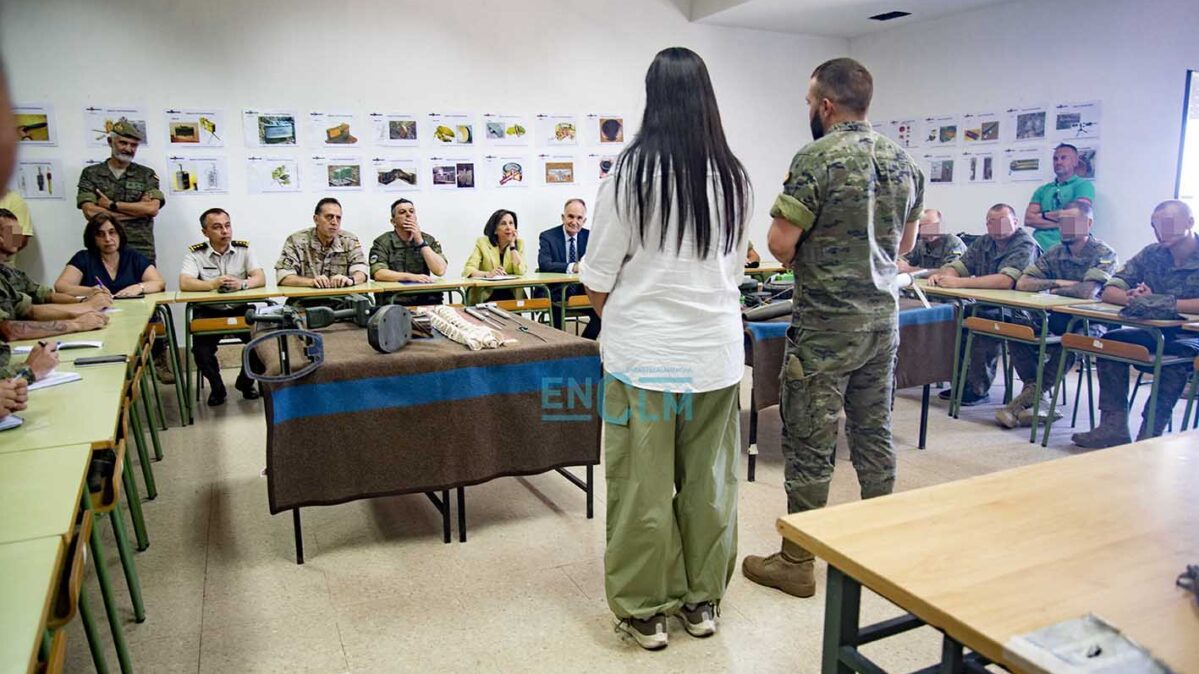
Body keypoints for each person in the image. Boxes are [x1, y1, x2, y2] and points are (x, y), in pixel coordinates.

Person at [580, 46, 751, 649]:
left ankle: (645, 609)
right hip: (716, 354)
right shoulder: (734, 177)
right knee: (709, 484)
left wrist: (625, 322)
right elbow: (730, 271)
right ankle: (701, 601)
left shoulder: (628, 176)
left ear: (653, 97)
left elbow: (597, 279)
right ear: (707, 99)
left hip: (645, 356)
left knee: (642, 487)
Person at [741, 57, 923, 601]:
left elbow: (778, 243)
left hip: (825, 325)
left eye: (808, 103)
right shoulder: (903, 160)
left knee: (810, 438)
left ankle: (798, 561)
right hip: (882, 322)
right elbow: (907, 247)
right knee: (874, 430)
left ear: (825, 104)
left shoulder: (817, 157)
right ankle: (880, 546)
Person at [1072, 200, 1199, 448]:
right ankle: (1113, 426)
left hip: (1190, 335)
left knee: (1174, 359)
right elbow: (1110, 290)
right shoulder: (1152, 254)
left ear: (1190, 222)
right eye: (1155, 225)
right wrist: (1132, 298)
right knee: (1109, 342)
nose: (1160, 231)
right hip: (1158, 329)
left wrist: (1161, 302)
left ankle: (1150, 433)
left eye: (1167, 224)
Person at [997, 201, 1117, 428]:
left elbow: (1087, 291)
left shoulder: (1103, 252)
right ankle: (1038, 401)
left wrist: (1047, 287)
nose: (1064, 227)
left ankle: (1022, 402)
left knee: (1070, 341)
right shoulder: (1055, 252)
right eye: (1061, 222)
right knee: (1015, 327)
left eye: (1070, 222)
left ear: (1088, 223)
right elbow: (1023, 283)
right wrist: (1059, 284)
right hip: (1055, 317)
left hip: (1091, 322)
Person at [927, 204, 1039, 406]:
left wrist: (959, 283)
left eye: (1002, 222)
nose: (996, 226)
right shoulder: (984, 242)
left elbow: (1006, 281)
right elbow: (959, 266)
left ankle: (978, 388)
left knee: (984, 320)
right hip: (987, 304)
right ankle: (962, 382)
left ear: (1015, 222)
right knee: (955, 314)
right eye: (991, 222)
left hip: (1022, 312)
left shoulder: (1025, 244)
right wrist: (945, 275)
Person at [54, 212, 170, 380]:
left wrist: (139, 286)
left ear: (119, 234)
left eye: (112, 232)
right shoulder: (84, 257)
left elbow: (159, 282)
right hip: (100, 320)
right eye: (100, 234)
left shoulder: (132, 256)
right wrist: (90, 291)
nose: (108, 239)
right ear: (93, 238)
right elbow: (61, 286)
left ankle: (142, 370)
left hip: (133, 318)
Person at [179, 208, 266, 406]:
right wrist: (211, 284)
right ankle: (217, 387)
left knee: (262, 344)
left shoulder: (244, 249)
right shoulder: (196, 254)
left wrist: (241, 283)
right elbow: (185, 283)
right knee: (201, 352)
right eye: (217, 227)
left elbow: (260, 278)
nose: (224, 231)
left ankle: (245, 382)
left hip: (241, 309)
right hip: (209, 311)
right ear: (205, 232)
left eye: (227, 226)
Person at [75, 118, 165, 264]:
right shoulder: (91, 173)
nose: (128, 149)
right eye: (123, 143)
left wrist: (111, 205)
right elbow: (90, 211)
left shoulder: (146, 174)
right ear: (111, 142)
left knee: (147, 286)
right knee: (103, 287)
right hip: (103, 244)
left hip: (140, 247)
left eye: (134, 145)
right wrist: (137, 213)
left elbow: (152, 209)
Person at [0, 209, 112, 314]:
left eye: (18, 230)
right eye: (12, 231)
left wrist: (83, 301)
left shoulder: (12, 272)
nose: (18, 236)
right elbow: (28, 313)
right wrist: (84, 312)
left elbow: (47, 296)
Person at [537, 198, 600, 339]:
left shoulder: (590, 237)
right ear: (563, 217)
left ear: (584, 221)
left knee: (603, 312)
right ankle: (562, 349)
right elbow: (544, 264)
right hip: (554, 292)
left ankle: (583, 345)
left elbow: (596, 263)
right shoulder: (548, 236)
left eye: (579, 218)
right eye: (570, 216)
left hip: (581, 291)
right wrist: (574, 267)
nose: (574, 222)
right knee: (557, 319)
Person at [276, 198, 369, 292]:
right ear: (316, 219)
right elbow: (284, 277)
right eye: (329, 217)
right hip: (305, 300)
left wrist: (350, 280)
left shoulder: (349, 240)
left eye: (338, 218)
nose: (334, 222)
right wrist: (311, 282)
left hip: (343, 300)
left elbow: (362, 271)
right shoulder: (296, 240)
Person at [370, 198, 447, 307]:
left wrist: (420, 241)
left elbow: (440, 270)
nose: (408, 215)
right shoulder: (383, 242)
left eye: (411, 211)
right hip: (395, 300)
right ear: (393, 222)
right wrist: (411, 277)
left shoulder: (428, 240)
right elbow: (379, 273)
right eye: (402, 212)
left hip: (426, 299)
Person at [1024, 143, 1095, 252]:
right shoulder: (1043, 190)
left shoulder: (1083, 185)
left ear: (1075, 161)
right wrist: (1063, 221)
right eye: (1055, 159)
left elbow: (1078, 217)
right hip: (1038, 247)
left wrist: (1042, 216)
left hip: (1067, 249)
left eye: (1063, 158)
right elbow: (1028, 219)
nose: (1058, 162)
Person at [463, 209, 527, 305]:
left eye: (511, 223)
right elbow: (468, 270)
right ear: (495, 230)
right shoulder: (482, 243)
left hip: (511, 293)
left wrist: (512, 245)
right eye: (503, 224)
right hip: (486, 294)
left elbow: (520, 271)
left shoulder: (519, 244)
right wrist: (488, 274)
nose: (508, 227)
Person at [896, 208, 966, 274]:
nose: (926, 231)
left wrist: (910, 269)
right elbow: (904, 259)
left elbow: (949, 272)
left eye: (931, 226)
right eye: (921, 226)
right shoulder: (920, 242)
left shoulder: (954, 243)